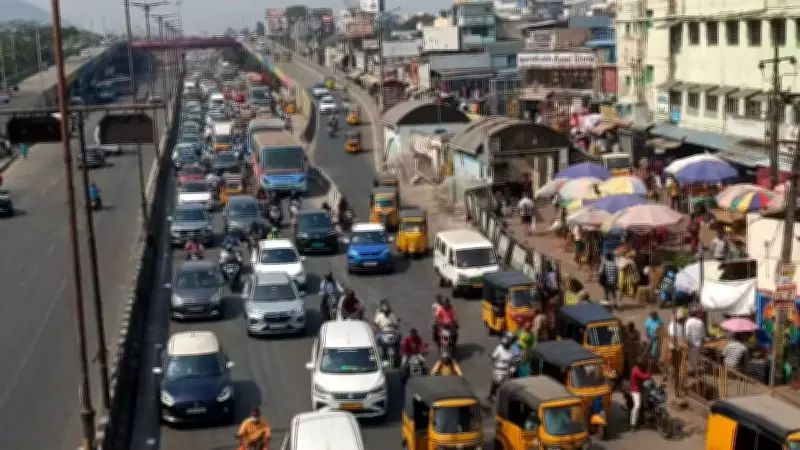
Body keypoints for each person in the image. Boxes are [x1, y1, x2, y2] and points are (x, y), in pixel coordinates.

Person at [488, 334, 516, 401]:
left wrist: (513, 367)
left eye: (507, 344)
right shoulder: (499, 347)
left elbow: (514, 360)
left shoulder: (512, 350)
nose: (505, 345)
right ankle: (491, 395)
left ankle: (505, 398)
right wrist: (492, 358)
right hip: (498, 369)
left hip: (507, 370)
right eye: (504, 344)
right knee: (496, 383)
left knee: (506, 386)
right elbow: (494, 356)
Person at [628, 357, 652, 430]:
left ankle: (648, 416)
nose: (643, 364)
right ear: (639, 364)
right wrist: (650, 373)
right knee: (637, 405)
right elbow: (644, 376)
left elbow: (646, 376)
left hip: (641, 388)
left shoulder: (641, 369)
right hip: (635, 390)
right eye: (642, 363)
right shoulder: (636, 370)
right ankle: (633, 424)